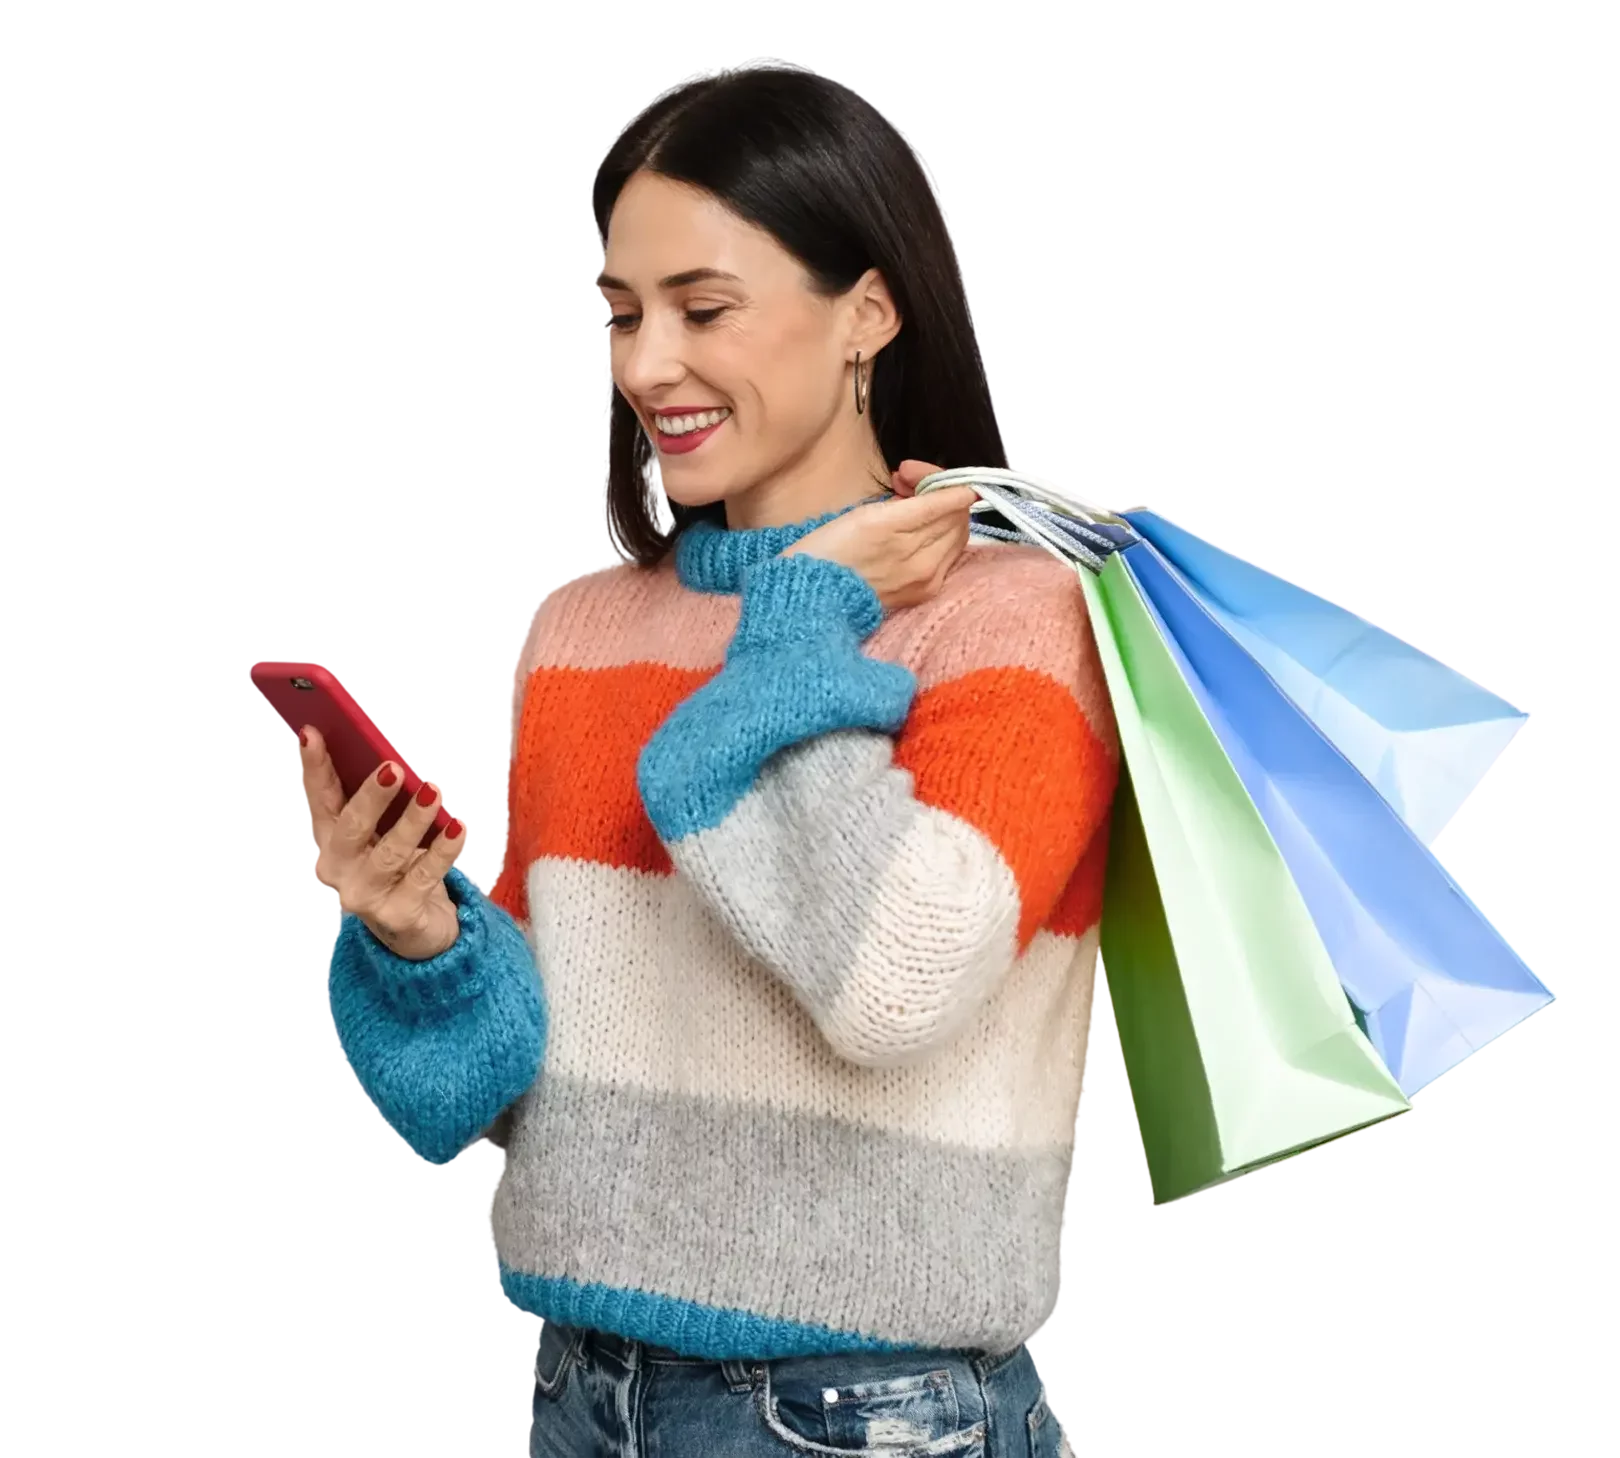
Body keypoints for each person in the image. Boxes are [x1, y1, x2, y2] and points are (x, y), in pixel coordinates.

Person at [295, 65, 1113, 1458]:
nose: (643, 362)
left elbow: (899, 978)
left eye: (703, 307)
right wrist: (420, 939)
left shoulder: (1011, 620)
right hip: (583, 1390)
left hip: (859, 1411)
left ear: (870, 309)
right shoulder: (583, 628)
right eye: (619, 315)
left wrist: (804, 613)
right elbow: (479, 1106)